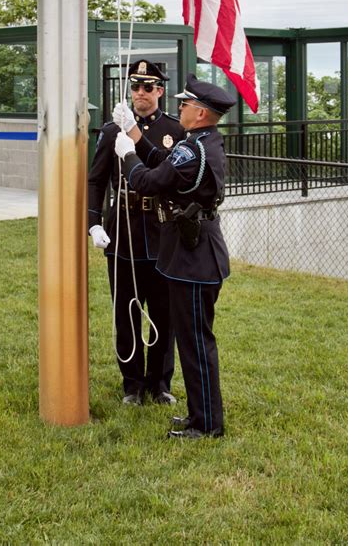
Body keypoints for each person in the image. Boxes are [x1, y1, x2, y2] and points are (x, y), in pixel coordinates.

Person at [113, 72, 236, 440]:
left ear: (200, 113)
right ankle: (200, 414)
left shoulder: (194, 148)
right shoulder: (201, 142)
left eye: (185, 104)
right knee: (192, 340)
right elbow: (165, 161)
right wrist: (135, 133)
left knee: (196, 344)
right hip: (193, 254)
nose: (180, 107)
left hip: (193, 258)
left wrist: (128, 155)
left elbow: (150, 180)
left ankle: (207, 424)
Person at [88, 60, 184, 406]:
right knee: (126, 313)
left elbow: (169, 174)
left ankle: (160, 384)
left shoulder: (174, 129)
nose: (139, 94)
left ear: (160, 90)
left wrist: (135, 135)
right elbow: (97, 179)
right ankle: (132, 385)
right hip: (124, 231)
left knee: (163, 313)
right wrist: (93, 221)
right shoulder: (112, 129)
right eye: (135, 87)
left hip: (160, 232)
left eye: (147, 87)